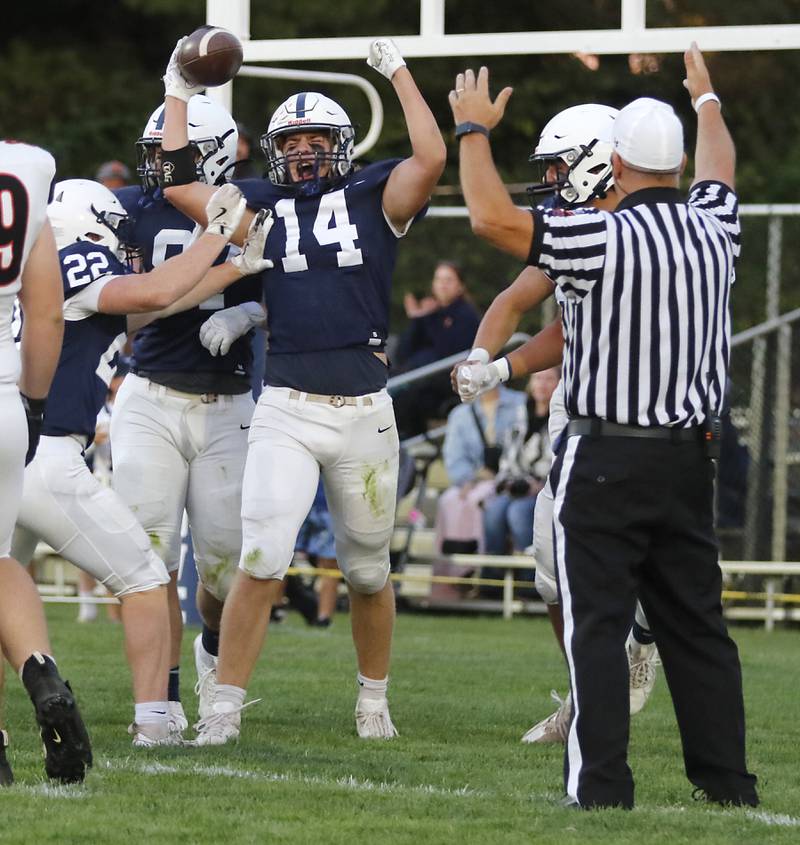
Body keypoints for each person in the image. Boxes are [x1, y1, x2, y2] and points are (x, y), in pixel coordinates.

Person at [448, 45, 759, 809]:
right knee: (699, 630)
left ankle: (602, 786)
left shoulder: (597, 236)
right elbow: (721, 164)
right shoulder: (714, 229)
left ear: (614, 162)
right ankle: (726, 783)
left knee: (596, 626)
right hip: (692, 457)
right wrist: (707, 96)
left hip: (606, 455)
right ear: (678, 166)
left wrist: (473, 131)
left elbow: (491, 219)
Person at [158, 35, 446, 744]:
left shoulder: (374, 194)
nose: (306, 150)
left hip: (364, 411)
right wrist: (176, 90)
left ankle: (373, 700)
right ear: (276, 150)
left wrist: (400, 72)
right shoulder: (258, 205)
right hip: (286, 406)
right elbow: (175, 182)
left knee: (369, 571)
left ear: (342, 145)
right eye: (293, 140)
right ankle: (223, 707)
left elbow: (433, 157)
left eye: (319, 138)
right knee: (261, 557)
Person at [11, 177, 270, 747]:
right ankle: (155, 723)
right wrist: (217, 234)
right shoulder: (73, 258)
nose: (125, 245)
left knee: (3, 590)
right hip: (45, 458)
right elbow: (152, 293)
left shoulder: (36, 274)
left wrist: (232, 270)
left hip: (11, 457)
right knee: (147, 579)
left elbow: (152, 305)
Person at [453, 104, 660, 742]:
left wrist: (505, 367)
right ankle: (588, 693)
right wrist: (484, 361)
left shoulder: (638, 233)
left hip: (645, 413)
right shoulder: (575, 227)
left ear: (601, 157)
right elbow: (518, 301)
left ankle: (644, 638)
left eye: (558, 164)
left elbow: (573, 330)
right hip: (579, 413)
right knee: (549, 569)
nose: (549, 178)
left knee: (640, 558)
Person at [112, 94, 266, 734]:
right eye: (154, 153)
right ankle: (163, 702)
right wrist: (204, 285)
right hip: (148, 396)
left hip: (227, 403)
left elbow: (307, 290)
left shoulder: (255, 205)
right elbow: (127, 312)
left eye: (169, 153)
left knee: (226, 569)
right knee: (149, 563)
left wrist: (249, 311)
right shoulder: (127, 210)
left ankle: (209, 651)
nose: (156, 166)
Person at [0, 140, 91, 784]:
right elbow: (47, 311)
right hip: (3, 397)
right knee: (0, 563)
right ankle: (41, 672)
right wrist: (31, 405)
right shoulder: (26, 168)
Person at [392, 260, 481, 438]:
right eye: (439, 279)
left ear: (460, 286)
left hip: (444, 384)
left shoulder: (466, 316)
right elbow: (402, 353)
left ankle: (410, 444)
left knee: (403, 396)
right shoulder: (430, 314)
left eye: (448, 280)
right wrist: (418, 319)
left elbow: (448, 352)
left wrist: (429, 318)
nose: (442, 285)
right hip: (417, 378)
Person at [437, 385, 526, 557]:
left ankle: (483, 564)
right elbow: (454, 456)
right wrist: (468, 478)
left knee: (479, 499)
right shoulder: (460, 413)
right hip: (475, 479)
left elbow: (523, 444)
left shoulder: (520, 403)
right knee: (449, 500)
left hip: (512, 477)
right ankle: (452, 574)